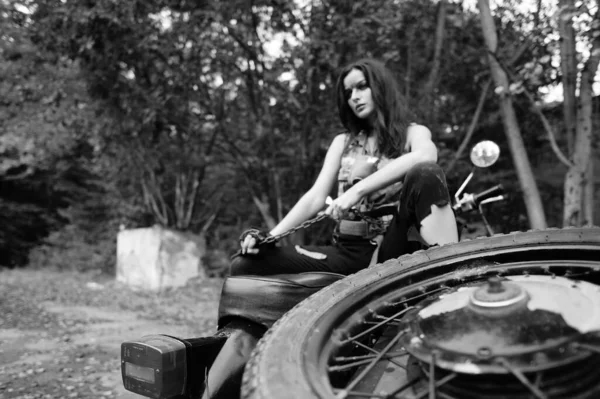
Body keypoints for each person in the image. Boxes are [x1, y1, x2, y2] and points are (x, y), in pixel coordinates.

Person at [232, 58, 458, 277]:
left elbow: (427, 156)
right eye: (348, 93)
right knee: (245, 263)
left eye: (361, 87)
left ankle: (451, 274)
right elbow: (315, 197)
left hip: (394, 247)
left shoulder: (414, 133)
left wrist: (356, 192)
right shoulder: (342, 142)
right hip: (347, 252)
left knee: (425, 173)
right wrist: (269, 237)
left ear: (380, 87)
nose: (354, 97)